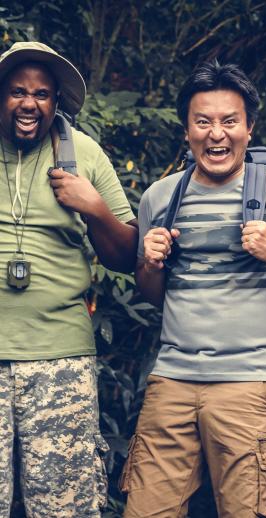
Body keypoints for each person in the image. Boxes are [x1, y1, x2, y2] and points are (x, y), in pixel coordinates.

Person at [121, 60, 266, 518]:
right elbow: (152, 294)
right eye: (203, 122)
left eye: (228, 122)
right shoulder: (159, 198)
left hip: (251, 384)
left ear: (249, 127)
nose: (216, 134)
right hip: (172, 381)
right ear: (187, 130)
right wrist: (149, 260)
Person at [0, 42, 138, 516]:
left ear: (56, 102)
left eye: (41, 93)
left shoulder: (82, 153)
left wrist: (93, 207)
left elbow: (127, 256)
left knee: (65, 507)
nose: (28, 104)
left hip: (61, 358)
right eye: (17, 91)